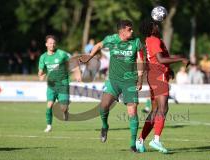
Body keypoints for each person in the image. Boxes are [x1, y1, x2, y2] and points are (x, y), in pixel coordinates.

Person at [79, 20, 144, 152]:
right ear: (122, 31)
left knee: (132, 112)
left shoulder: (136, 42)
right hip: (113, 80)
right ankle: (105, 126)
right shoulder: (112, 39)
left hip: (130, 81)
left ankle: (133, 145)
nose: (132, 31)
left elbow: (140, 60)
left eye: (132, 29)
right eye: (129, 29)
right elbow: (98, 45)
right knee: (103, 105)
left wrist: (140, 79)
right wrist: (90, 56)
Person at [136, 19, 189, 153]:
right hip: (159, 77)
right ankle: (156, 140)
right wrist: (181, 58)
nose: (157, 26)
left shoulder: (150, 40)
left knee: (154, 111)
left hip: (154, 75)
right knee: (163, 108)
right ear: (150, 28)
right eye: (154, 25)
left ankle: (140, 140)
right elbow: (161, 59)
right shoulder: (154, 40)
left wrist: (168, 68)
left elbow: (155, 59)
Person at [38, 35, 81, 132]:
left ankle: (66, 112)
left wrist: (77, 73)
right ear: (46, 44)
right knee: (49, 105)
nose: (52, 45)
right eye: (50, 43)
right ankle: (49, 125)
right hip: (51, 85)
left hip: (63, 84)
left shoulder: (62, 54)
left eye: (53, 43)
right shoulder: (43, 57)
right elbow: (40, 71)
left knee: (63, 108)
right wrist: (41, 75)